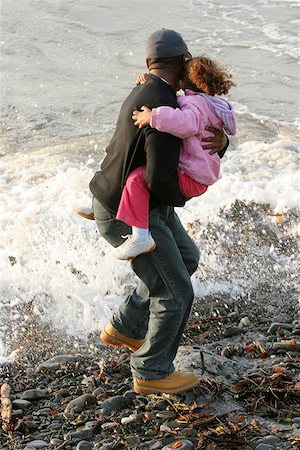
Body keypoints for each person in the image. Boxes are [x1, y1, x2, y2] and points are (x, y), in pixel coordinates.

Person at [89, 29, 229, 394]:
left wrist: (222, 143)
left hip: (138, 204)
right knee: (177, 291)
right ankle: (151, 373)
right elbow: (157, 177)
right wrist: (190, 189)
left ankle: (127, 326)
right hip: (130, 211)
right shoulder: (161, 106)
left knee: (185, 257)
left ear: (149, 64)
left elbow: (198, 132)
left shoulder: (153, 92)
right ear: (182, 63)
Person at [114, 55, 236, 260]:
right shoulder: (215, 105)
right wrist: (151, 80)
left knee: (136, 180)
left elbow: (186, 122)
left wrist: (152, 117)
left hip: (190, 177)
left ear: (183, 82)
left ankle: (141, 237)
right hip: (201, 176)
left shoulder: (194, 106)